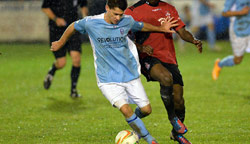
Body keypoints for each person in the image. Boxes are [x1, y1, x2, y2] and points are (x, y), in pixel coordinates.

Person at [50, 0, 180, 143]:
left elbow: (141, 26)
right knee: (125, 109)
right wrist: (60, 43)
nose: (118, 18)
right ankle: (150, 139)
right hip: (107, 79)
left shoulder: (126, 21)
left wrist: (161, 28)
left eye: (120, 14)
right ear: (107, 8)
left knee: (146, 110)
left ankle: (133, 121)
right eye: (115, 14)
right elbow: (73, 26)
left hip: (130, 75)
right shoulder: (92, 22)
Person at [125, 0, 202, 143]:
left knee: (178, 99)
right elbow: (124, 37)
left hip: (169, 57)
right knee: (166, 78)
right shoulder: (132, 11)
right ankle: (172, 118)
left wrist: (194, 40)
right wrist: (140, 47)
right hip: (148, 56)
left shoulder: (169, 8)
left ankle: (176, 134)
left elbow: (182, 32)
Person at [41, 0, 88, 98]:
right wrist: (56, 19)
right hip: (57, 31)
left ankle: (73, 90)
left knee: (76, 59)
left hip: (73, 29)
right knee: (61, 63)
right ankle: (52, 70)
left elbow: (83, 5)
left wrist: (85, 17)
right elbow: (45, 7)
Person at [212, 0, 250, 80]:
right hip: (238, 29)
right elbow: (224, 13)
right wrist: (241, 12)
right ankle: (219, 64)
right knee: (237, 60)